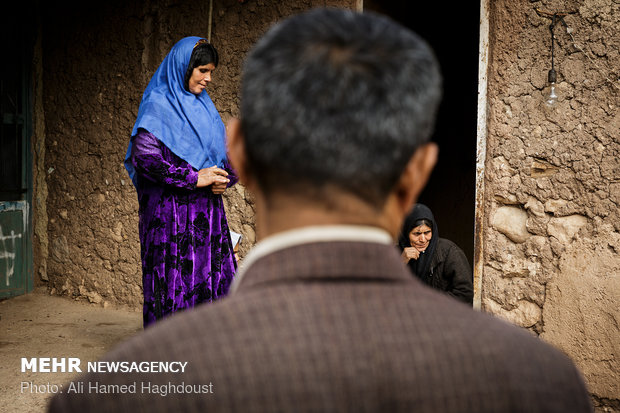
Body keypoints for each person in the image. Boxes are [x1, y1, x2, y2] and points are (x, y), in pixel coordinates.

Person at [49, 8, 591, 412]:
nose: (207, 80)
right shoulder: (542, 383)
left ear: (243, 155)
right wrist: (192, 176)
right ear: (415, 174)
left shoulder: (107, 396)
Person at [123, 37, 238, 327]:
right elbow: (145, 157)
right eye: (202, 70)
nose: (208, 78)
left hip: (206, 218)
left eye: (211, 71)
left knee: (207, 281)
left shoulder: (206, 110)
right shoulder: (158, 105)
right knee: (173, 283)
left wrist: (224, 179)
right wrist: (193, 177)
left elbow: (227, 156)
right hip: (169, 216)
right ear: (183, 67)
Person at [399, 203, 473, 304]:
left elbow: (465, 293)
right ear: (406, 233)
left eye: (427, 233)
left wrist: (429, 302)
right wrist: (401, 262)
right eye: (417, 233)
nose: (423, 239)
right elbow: (383, 290)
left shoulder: (449, 252)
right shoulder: (396, 252)